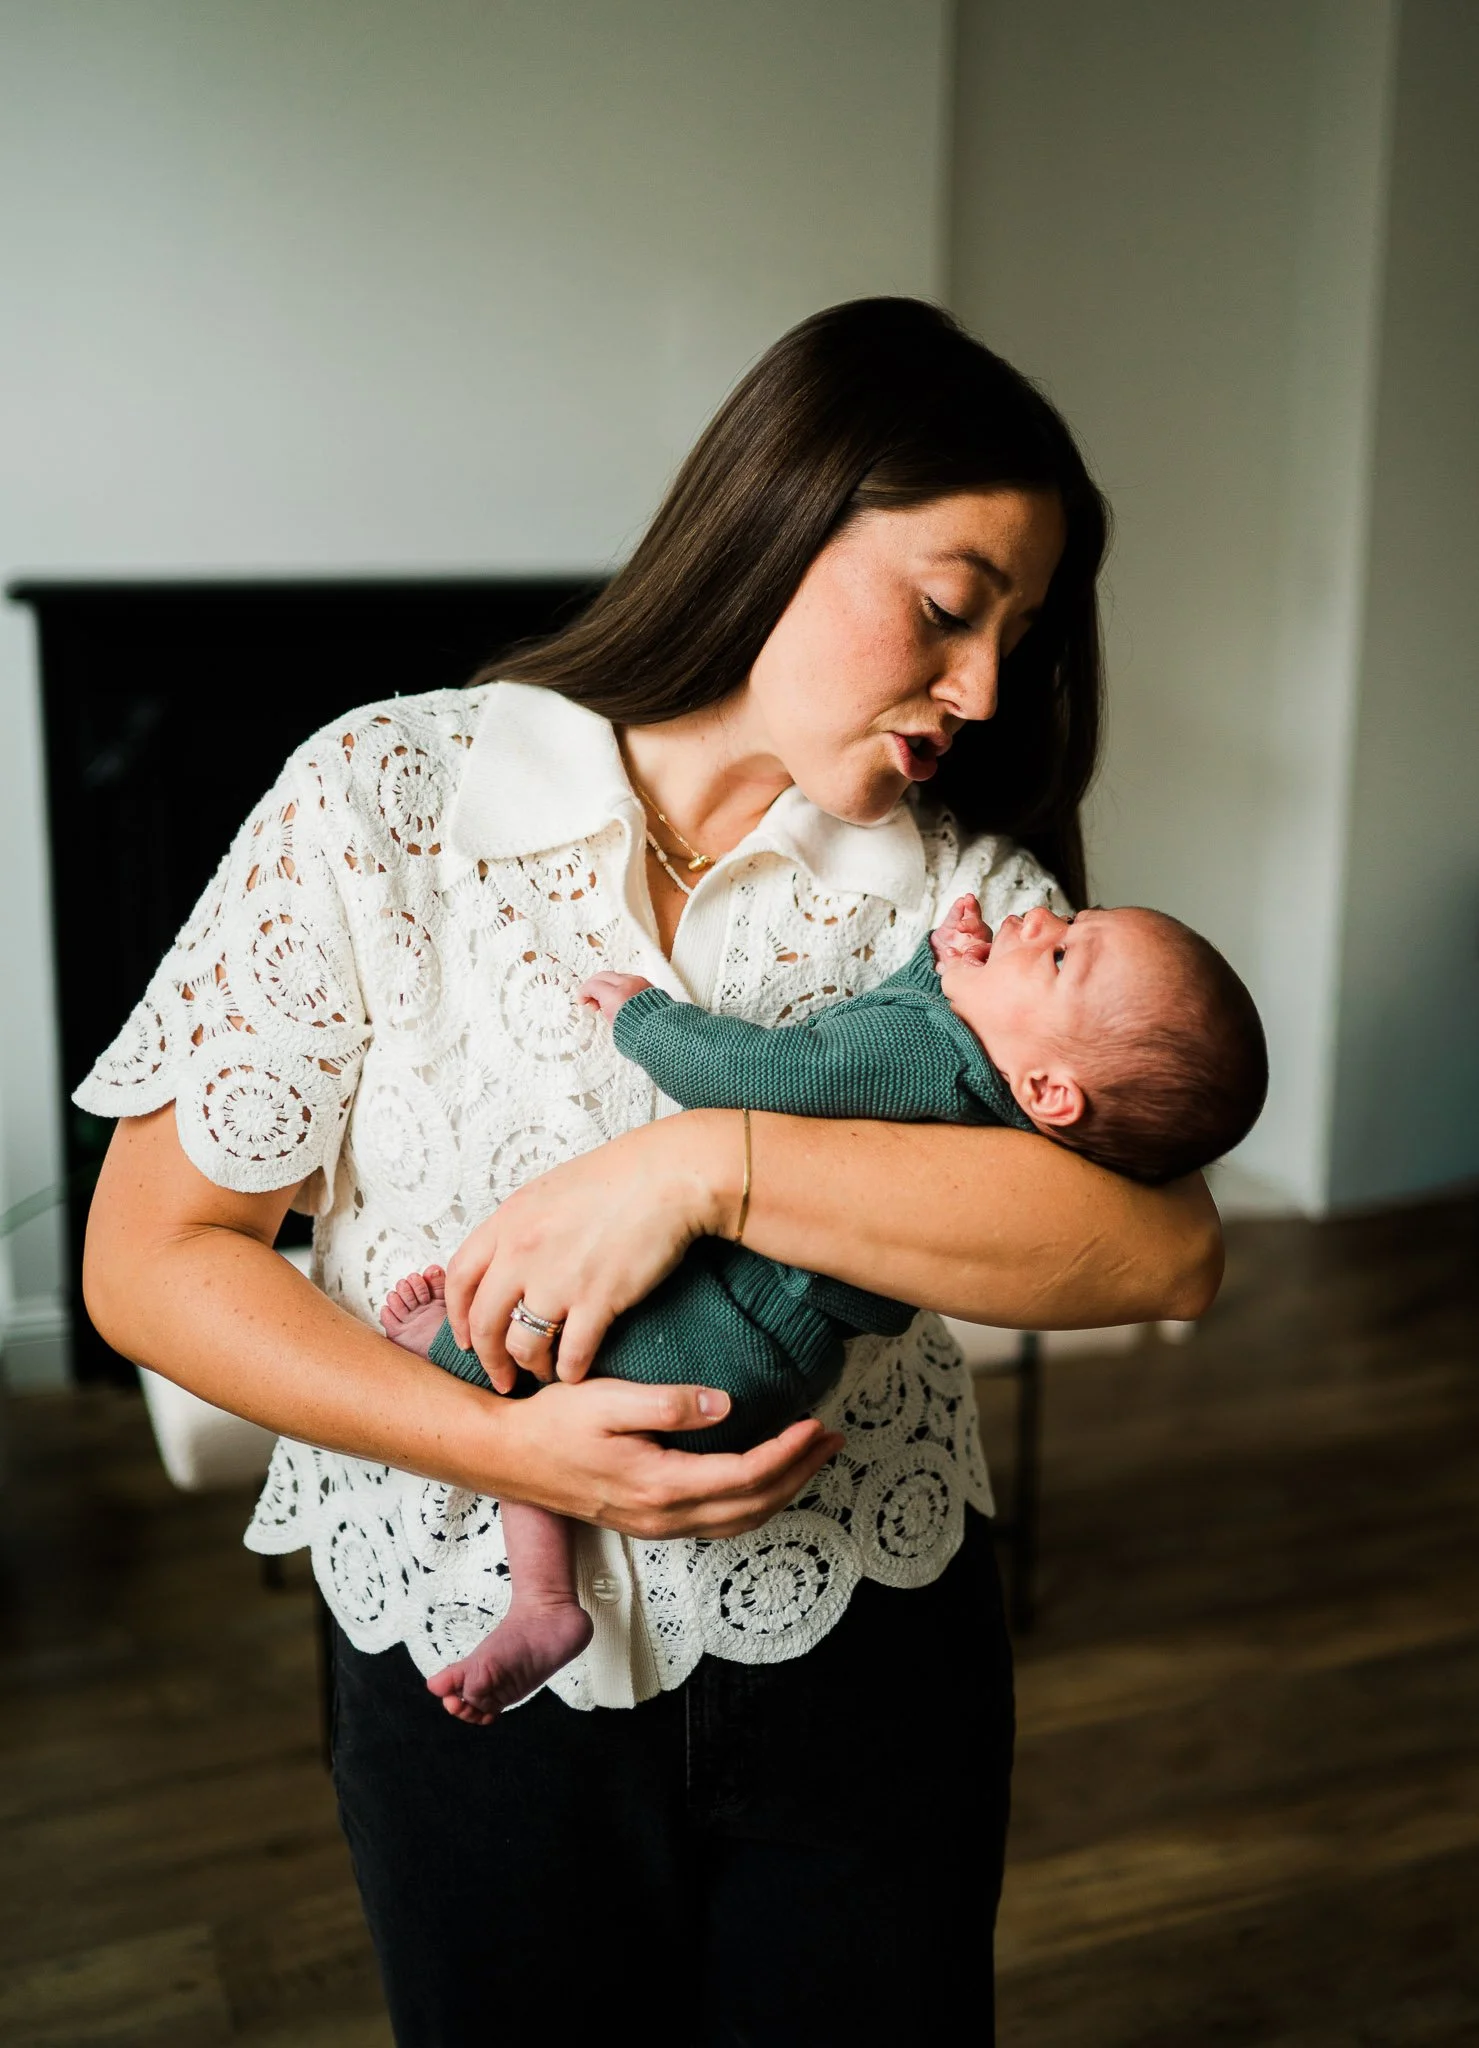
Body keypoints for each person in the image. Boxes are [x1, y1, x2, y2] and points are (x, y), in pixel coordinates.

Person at [78, 299, 1224, 2045]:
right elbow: (152, 1255)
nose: (982, 685)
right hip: (466, 1659)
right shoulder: (385, 796)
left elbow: (1159, 1252)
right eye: (944, 604)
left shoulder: (964, 904)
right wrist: (493, 1438)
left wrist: (710, 1162)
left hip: (866, 1645)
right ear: (777, 511)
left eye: (1018, 633)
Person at [381, 891, 1265, 1723]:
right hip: (770, 1356)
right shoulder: (998, 1099)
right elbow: (895, 1049)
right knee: (553, 1426)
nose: (1034, 918)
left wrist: (649, 1023)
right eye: (1071, 916)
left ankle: (526, 1558)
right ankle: (544, 1601)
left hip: (717, 1336)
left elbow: (784, 1071)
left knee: (511, 1375)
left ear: (1049, 1093)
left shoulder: (926, 1063)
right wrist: (943, 969)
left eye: (1063, 951)